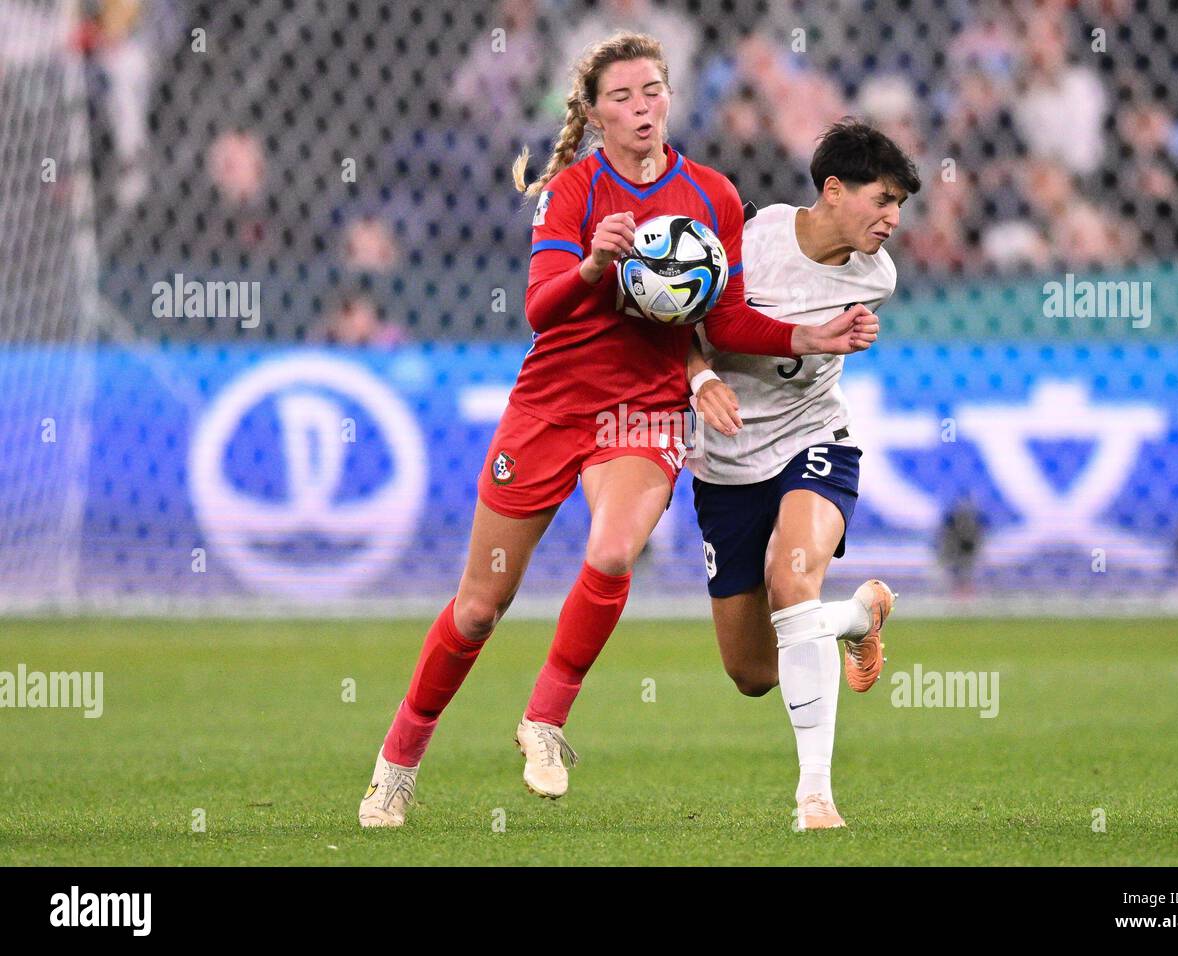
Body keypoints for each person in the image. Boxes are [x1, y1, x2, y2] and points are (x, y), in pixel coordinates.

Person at [358, 32, 878, 827]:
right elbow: (539, 309)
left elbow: (728, 316)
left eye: (654, 91)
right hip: (550, 408)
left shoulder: (711, 194)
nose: (642, 108)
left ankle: (545, 721)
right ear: (595, 112)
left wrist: (811, 337)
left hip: (642, 413)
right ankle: (396, 764)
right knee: (477, 609)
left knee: (611, 549)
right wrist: (592, 267)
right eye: (623, 97)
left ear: (671, 96)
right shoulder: (570, 192)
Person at [685, 119, 920, 830]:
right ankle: (858, 615)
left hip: (814, 442)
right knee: (752, 674)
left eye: (902, 204)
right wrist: (699, 380)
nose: (893, 218)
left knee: (793, 579)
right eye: (883, 199)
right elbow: (676, 325)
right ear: (832, 189)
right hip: (726, 463)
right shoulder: (746, 239)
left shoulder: (876, 275)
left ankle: (814, 795)